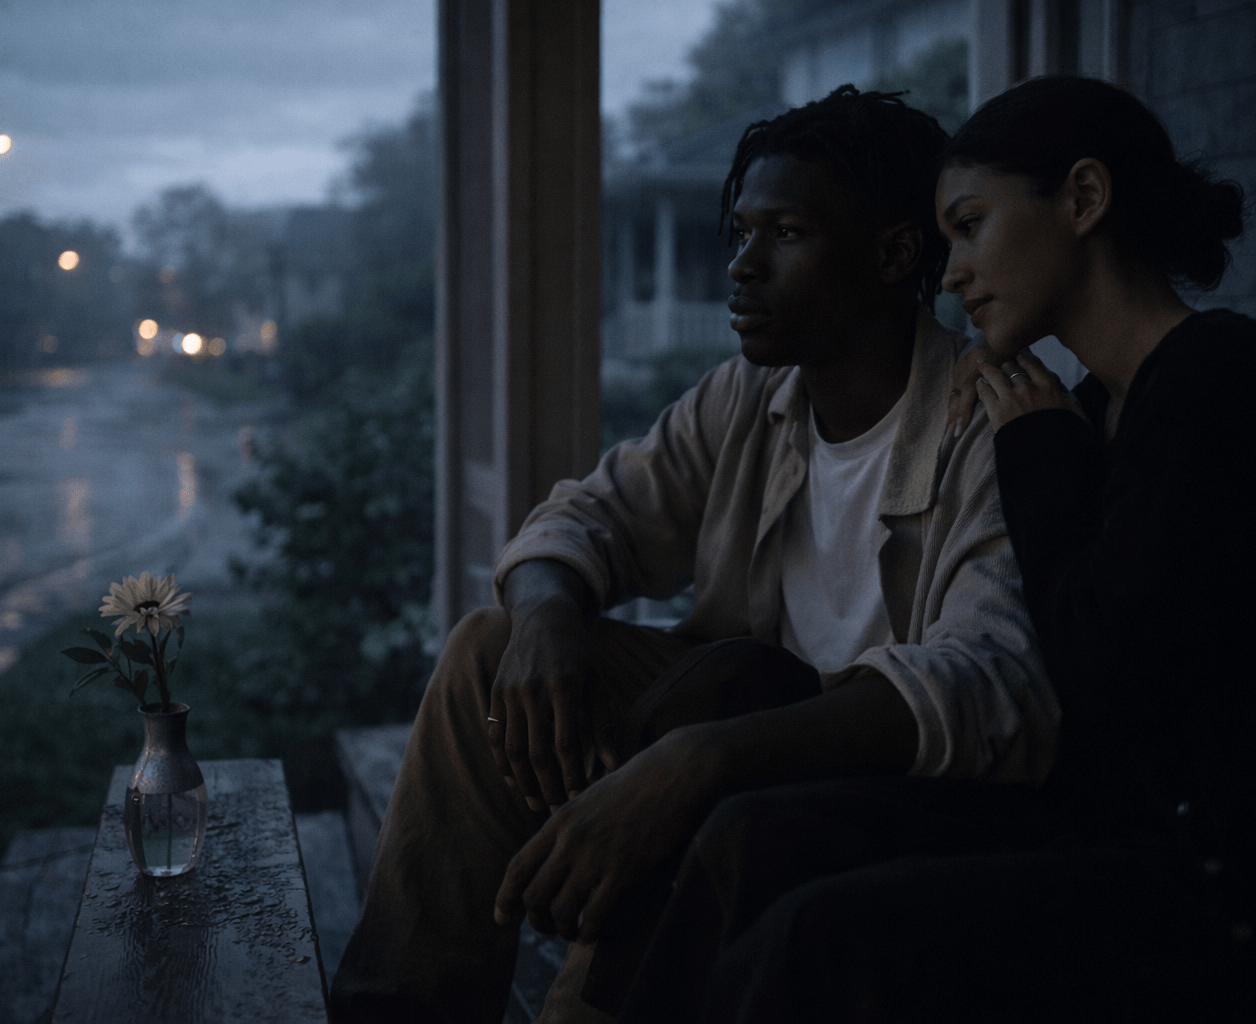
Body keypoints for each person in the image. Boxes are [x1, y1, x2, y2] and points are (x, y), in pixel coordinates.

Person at [654, 76, 1256, 1022]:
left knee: (820, 935)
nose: (950, 271)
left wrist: (1042, 461)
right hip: (1115, 821)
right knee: (756, 830)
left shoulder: (1225, 380)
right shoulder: (1084, 405)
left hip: (1247, 889)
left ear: (1084, 200)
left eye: (970, 225)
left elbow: (1106, 683)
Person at [329, 86, 1059, 1023]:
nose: (743, 268)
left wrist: (701, 760)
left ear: (892, 253)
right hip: (723, 724)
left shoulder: (986, 419)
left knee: (732, 688)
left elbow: (993, 679)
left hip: (867, 789)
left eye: (785, 234)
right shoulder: (749, 400)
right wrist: (547, 616)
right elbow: (585, 518)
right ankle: (400, 1011)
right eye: (740, 234)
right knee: (486, 652)